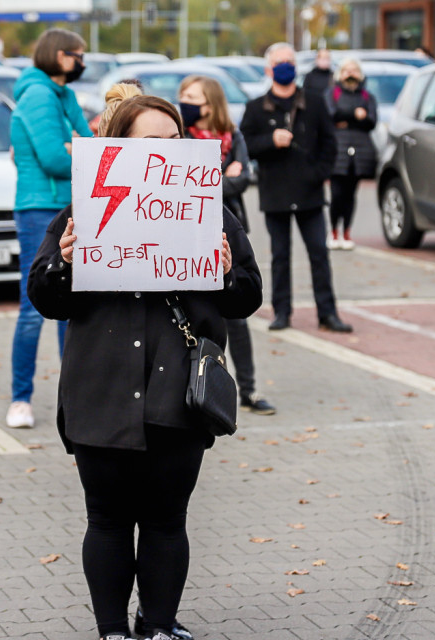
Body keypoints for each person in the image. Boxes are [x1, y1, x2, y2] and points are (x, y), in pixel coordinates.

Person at [28, 90, 262, 640]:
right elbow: (44, 296)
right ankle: (112, 637)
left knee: (164, 520)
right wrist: (67, 259)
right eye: (149, 144)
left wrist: (223, 265)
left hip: (176, 392)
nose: (165, 154)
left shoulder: (207, 208)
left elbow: (248, 295)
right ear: (118, 148)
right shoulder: (86, 206)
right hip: (101, 388)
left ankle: (157, 632)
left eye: (173, 141)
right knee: (105, 519)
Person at [6, 28, 92, 429]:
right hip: (39, 208)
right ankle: (20, 398)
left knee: (70, 305)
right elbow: (55, 161)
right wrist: (74, 147)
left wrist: (76, 145)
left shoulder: (66, 96)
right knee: (34, 308)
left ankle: (72, 395)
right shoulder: (38, 94)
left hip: (71, 203)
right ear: (59, 55)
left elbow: (92, 146)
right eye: (78, 55)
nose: (82, 62)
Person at [178, 75, 276, 416]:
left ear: (211, 103)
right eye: (183, 96)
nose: (185, 102)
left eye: (193, 97)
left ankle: (247, 389)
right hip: (189, 233)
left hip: (226, 232)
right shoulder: (180, 138)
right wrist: (224, 174)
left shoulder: (232, 135)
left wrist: (214, 177)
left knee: (237, 316)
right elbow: (187, 187)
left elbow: (244, 178)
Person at [240, 42, 353, 333]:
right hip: (275, 192)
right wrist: (270, 140)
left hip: (310, 193)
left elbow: (330, 144)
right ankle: (282, 312)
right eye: (279, 62)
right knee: (280, 257)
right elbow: (246, 146)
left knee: (319, 253)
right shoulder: (256, 108)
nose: (285, 67)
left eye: (289, 61)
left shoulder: (314, 102)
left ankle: (327, 313)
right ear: (268, 69)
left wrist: (318, 174)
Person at [326, 59, 377, 251]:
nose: (350, 73)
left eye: (354, 70)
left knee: (350, 195)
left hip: (359, 151)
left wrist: (346, 119)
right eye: (347, 70)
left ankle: (347, 230)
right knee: (337, 193)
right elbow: (331, 115)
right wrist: (355, 115)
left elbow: (371, 120)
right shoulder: (333, 93)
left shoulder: (367, 96)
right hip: (337, 150)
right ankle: (333, 231)